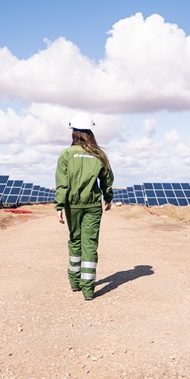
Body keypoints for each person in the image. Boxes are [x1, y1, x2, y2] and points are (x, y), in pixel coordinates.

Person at [55, 112, 114, 301]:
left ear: (73, 132)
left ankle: (74, 282)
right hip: (92, 205)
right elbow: (107, 179)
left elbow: (62, 184)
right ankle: (88, 290)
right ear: (90, 131)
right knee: (90, 244)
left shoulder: (65, 155)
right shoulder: (99, 154)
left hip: (72, 205)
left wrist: (59, 206)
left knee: (75, 240)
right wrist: (108, 197)